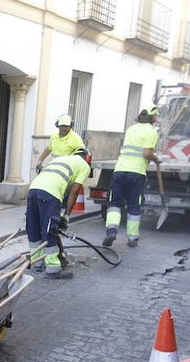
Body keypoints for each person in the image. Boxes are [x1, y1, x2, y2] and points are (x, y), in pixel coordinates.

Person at [25, 147, 92, 279]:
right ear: (88, 159)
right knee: (50, 230)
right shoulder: (84, 166)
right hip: (51, 194)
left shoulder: (61, 159)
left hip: (33, 190)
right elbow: (74, 192)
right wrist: (66, 215)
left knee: (34, 228)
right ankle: (53, 269)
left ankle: (37, 264)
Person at [103, 106, 163, 248]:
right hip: (136, 173)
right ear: (153, 118)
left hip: (119, 171)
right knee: (134, 206)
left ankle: (111, 231)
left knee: (114, 204)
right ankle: (132, 238)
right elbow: (147, 153)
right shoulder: (151, 132)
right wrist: (156, 158)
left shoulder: (131, 129)